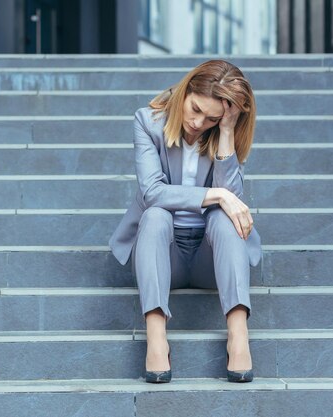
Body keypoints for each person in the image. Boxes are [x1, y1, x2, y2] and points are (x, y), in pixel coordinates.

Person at [109, 59, 261, 383]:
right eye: (195, 109)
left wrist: (226, 131)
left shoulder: (223, 131)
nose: (197, 122)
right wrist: (215, 195)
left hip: (210, 258)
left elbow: (233, 198)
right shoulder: (148, 122)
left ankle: (238, 336)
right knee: (155, 215)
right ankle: (156, 339)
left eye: (211, 118)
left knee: (225, 217)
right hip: (166, 255)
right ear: (186, 90)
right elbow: (152, 192)